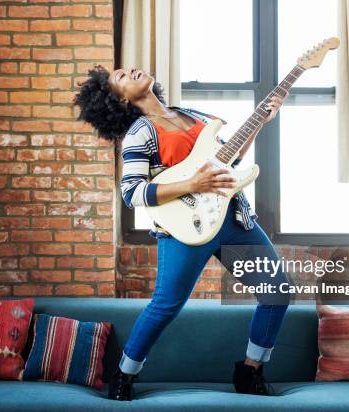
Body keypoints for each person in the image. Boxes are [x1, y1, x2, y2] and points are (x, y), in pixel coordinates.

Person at [73, 65, 290, 401]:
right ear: (117, 101)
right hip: (185, 229)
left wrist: (261, 120)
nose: (130, 70)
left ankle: (250, 370)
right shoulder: (139, 133)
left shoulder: (195, 115)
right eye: (120, 77)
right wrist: (192, 184)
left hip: (233, 218)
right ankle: (125, 374)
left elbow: (227, 162)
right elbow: (132, 193)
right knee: (166, 306)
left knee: (277, 291)